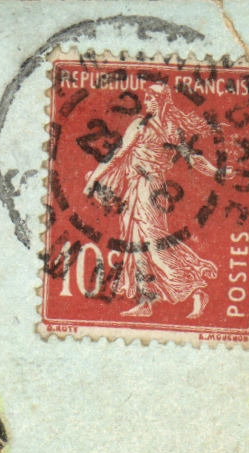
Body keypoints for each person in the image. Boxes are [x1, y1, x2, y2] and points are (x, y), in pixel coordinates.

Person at [83, 82, 222, 318]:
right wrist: (93, 179)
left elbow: (193, 158)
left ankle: (195, 289)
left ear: (162, 101)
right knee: (136, 245)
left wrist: (216, 172)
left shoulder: (169, 129)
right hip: (135, 188)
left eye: (151, 97)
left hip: (151, 188)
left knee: (154, 244)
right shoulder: (140, 124)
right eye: (146, 96)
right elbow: (118, 155)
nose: (146, 100)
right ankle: (146, 300)